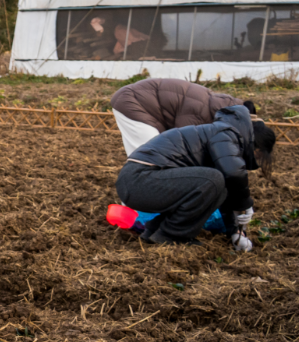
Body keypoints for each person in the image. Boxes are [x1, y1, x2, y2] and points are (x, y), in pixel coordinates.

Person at [115, 105, 276, 249]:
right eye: (259, 153)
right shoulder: (225, 134)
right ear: (254, 143)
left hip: (141, 181)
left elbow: (222, 190)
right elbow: (233, 173)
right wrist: (245, 204)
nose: (256, 157)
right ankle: (172, 235)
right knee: (214, 179)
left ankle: (156, 229)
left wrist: (235, 232)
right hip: (139, 180)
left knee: (217, 186)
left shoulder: (222, 134)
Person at [111, 78, 256, 156]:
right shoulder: (200, 111)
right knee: (149, 156)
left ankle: (143, 204)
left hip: (142, 102)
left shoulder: (216, 105)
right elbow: (183, 142)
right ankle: (136, 208)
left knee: (153, 157)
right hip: (132, 102)